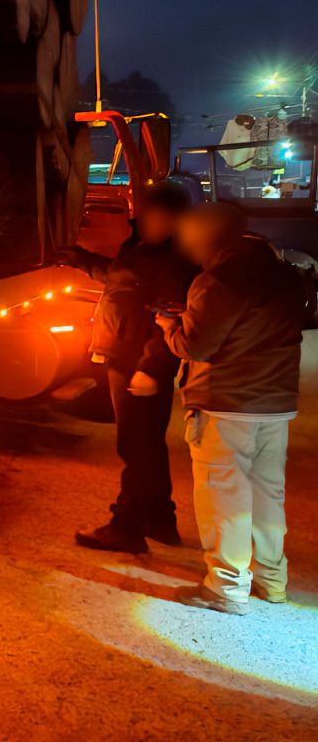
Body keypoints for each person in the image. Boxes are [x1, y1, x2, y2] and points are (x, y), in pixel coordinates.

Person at [157, 202, 307, 615]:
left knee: (225, 496)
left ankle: (226, 587)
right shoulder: (280, 271)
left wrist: (170, 326)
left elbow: (197, 345)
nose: (183, 244)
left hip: (227, 403)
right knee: (267, 495)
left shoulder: (218, 278)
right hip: (275, 403)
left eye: (188, 235)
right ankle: (272, 580)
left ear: (207, 237)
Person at [66, 180, 197, 553]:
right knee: (147, 445)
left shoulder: (174, 260)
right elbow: (123, 279)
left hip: (137, 362)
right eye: (151, 215)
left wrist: (152, 368)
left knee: (136, 447)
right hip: (124, 355)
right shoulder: (140, 248)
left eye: (165, 218)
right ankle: (160, 519)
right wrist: (82, 260)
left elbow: (170, 317)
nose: (155, 223)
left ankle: (127, 527)